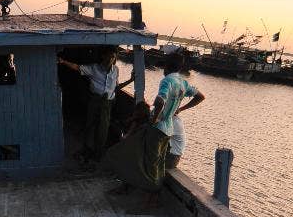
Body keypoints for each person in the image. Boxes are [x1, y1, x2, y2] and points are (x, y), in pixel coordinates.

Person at [104, 62, 203, 195]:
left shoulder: (168, 115)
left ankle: (142, 192)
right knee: (134, 151)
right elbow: (200, 96)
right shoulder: (181, 86)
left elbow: (159, 101)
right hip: (165, 142)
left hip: (171, 156)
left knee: (135, 157)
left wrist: (154, 117)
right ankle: (127, 186)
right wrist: (180, 108)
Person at [58, 47, 119, 162]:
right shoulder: (94, 68)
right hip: (95, 100)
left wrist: (130, 80)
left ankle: (98, 154)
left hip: (107, 103)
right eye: (110, 56)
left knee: (103, 129)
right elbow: (77, 67)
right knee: (90, 125)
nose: (111, 59)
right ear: (103, 56)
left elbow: (116, 85)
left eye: (113, 57)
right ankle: (88, 150)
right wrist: (63, 62)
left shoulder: (116, 70)